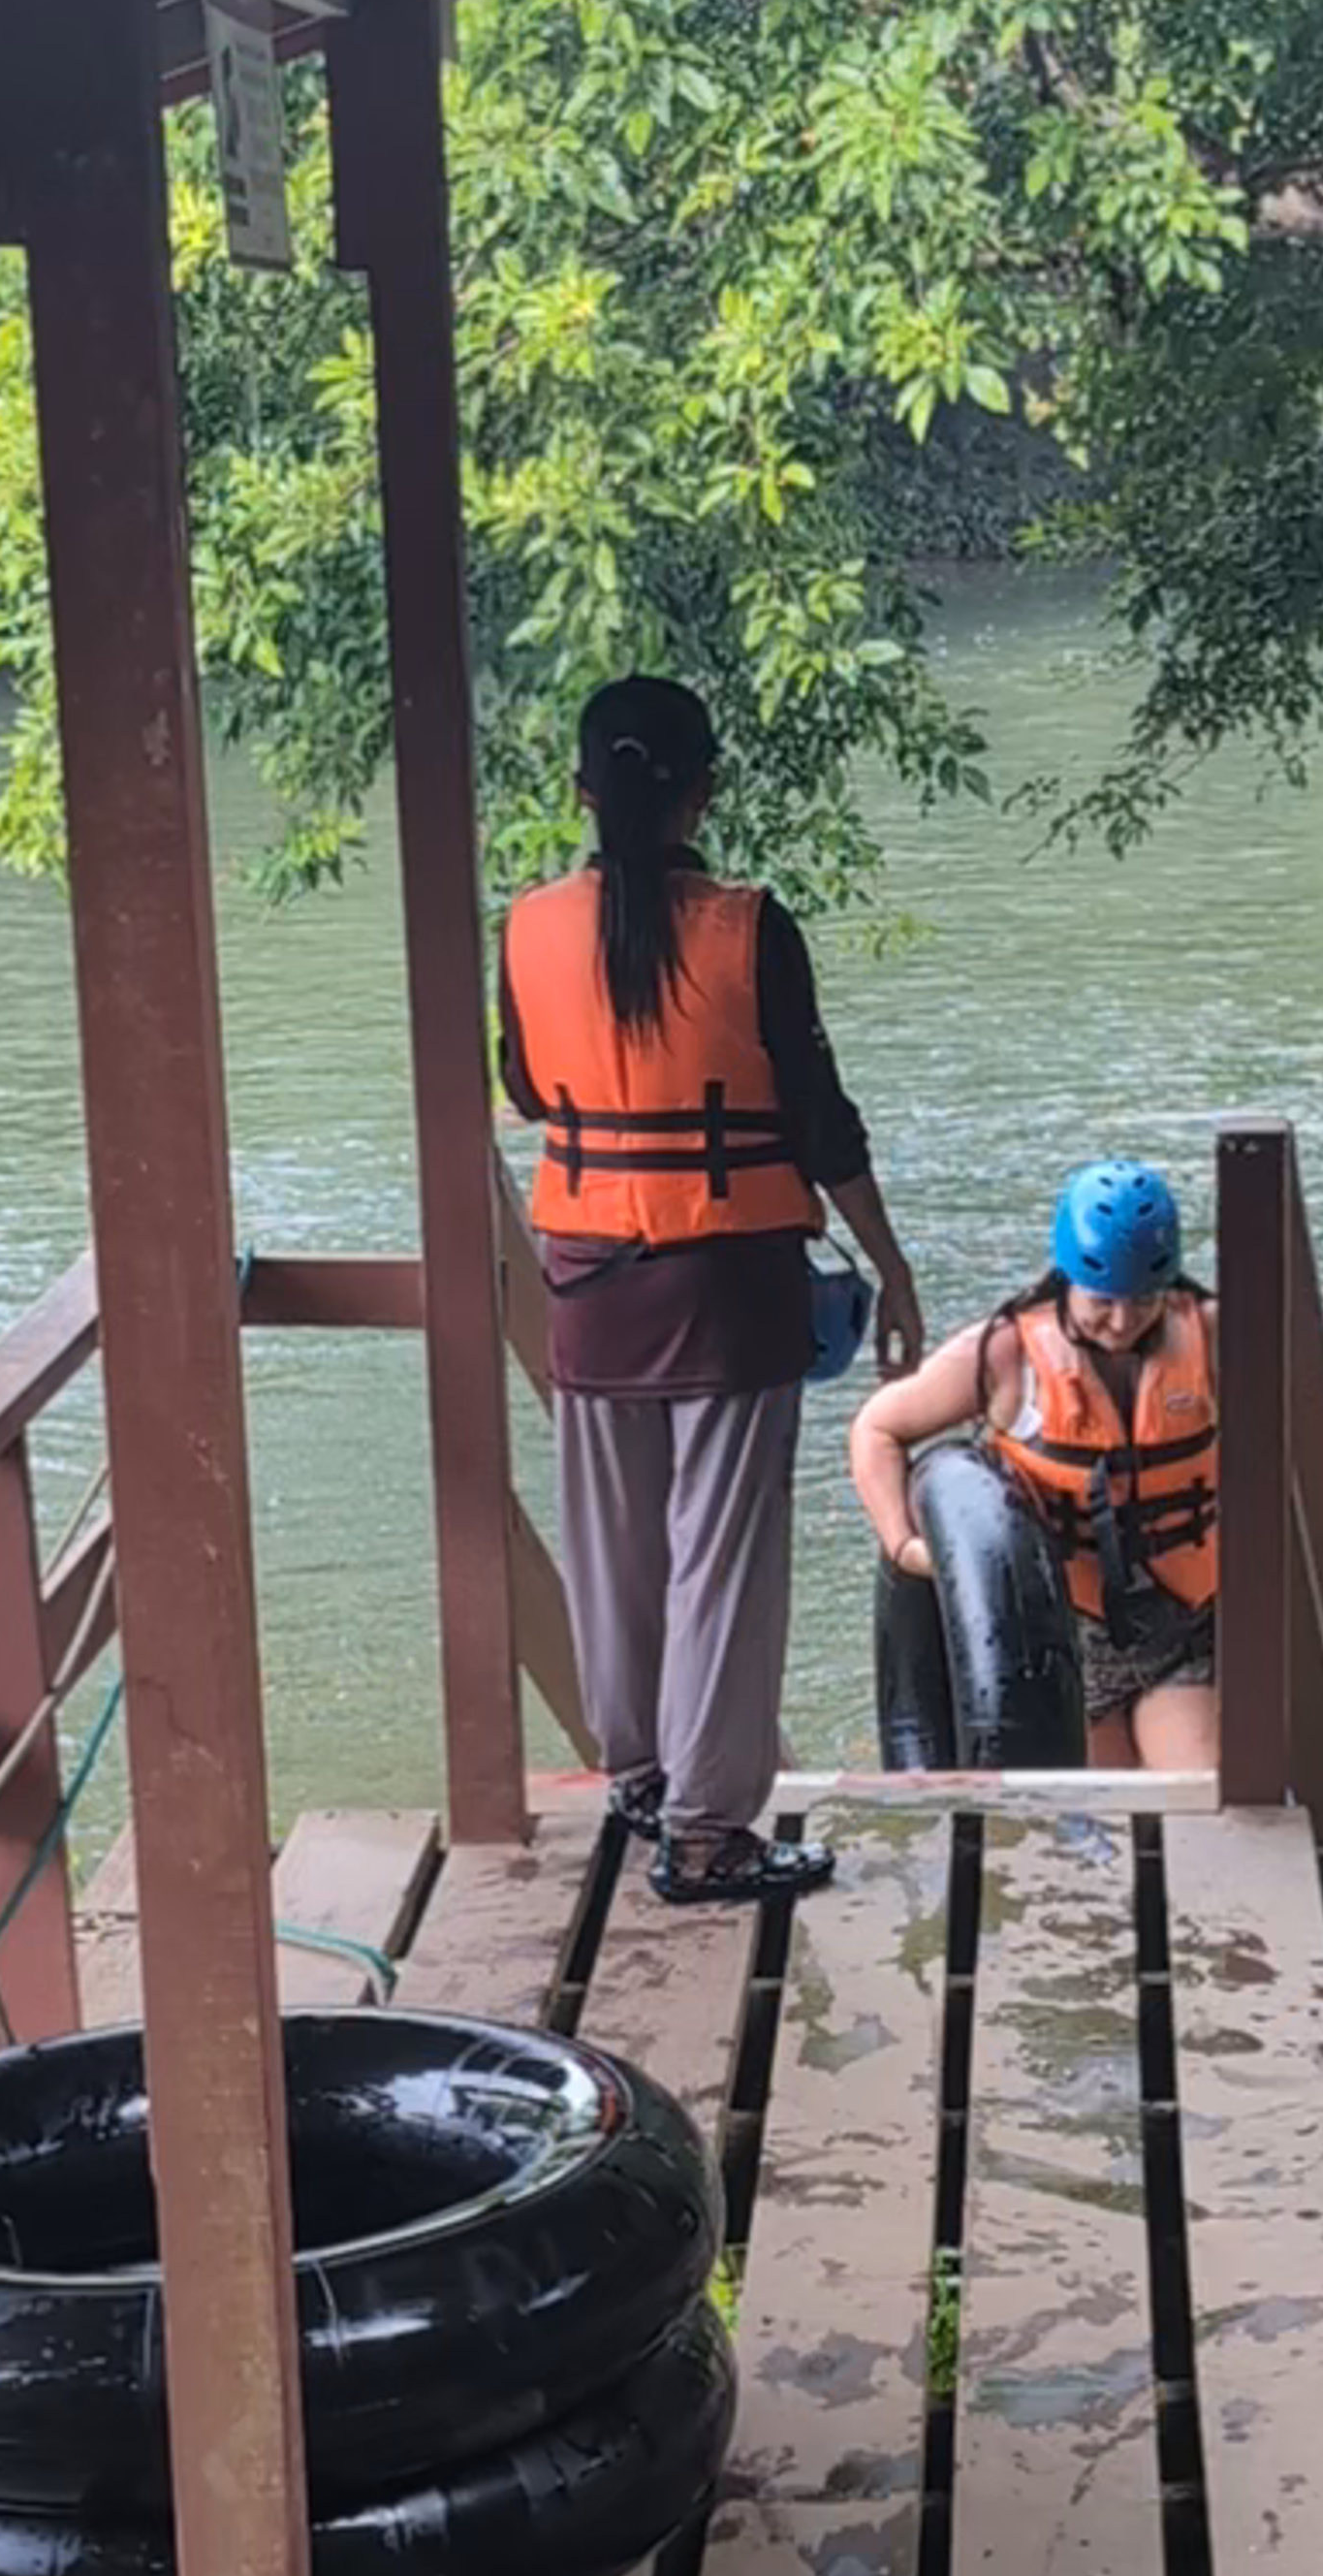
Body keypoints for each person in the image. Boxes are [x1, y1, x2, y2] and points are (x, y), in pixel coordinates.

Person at [499, 675, 922, 1903]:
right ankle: (707, 1834)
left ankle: (638, 1780)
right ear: (706, 791)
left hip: (586, 1278)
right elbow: (821, 1122)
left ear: (582, 794)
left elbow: (528, 1089)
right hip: (730, 1284)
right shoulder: (750, 929)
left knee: (614, 1547)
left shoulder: (526, 928)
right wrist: (889, 1265)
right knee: (719, 1561)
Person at [851, 1160, 1218, 1768]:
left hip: (1181, 1627)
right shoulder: (1004, 1353)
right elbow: (877, 1429)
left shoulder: (1210, 1335)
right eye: (1104, 1302)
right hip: (1064, 1642)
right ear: (1069, 1277)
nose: (1124, 1322)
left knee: (1197, 1797)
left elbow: (1287, 1446)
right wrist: (904, 1546)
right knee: (1100, 1828)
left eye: (1144, 1300)